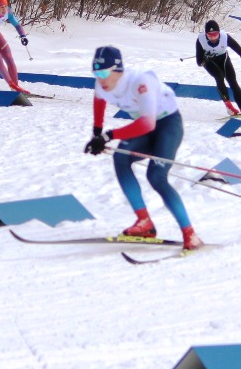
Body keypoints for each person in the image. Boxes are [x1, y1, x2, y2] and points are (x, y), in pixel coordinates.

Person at [83, 45, 203, 251]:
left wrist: (107, 136)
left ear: (118, 70)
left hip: (167, 124)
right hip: (144, 126)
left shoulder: (141, 82)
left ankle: (190, 234)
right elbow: (99, 100)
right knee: (120, 158)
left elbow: (148, 124)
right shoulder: (102, 84)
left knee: (156, 176)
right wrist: (97, 132)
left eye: (103, 72)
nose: (100, 78)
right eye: (95, 72)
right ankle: (144, 222)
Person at [195, 20, 241, 117]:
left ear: (219, 33)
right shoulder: (200, 40)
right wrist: (205, 59)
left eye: (215, 34)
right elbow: (199, 62)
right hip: (210, 62)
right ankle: (229, 106)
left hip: (223, 59)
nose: (213, 38)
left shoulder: (225, 37)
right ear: (206, 35)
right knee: (219, 76)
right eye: (210, 35)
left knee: (233, 82)